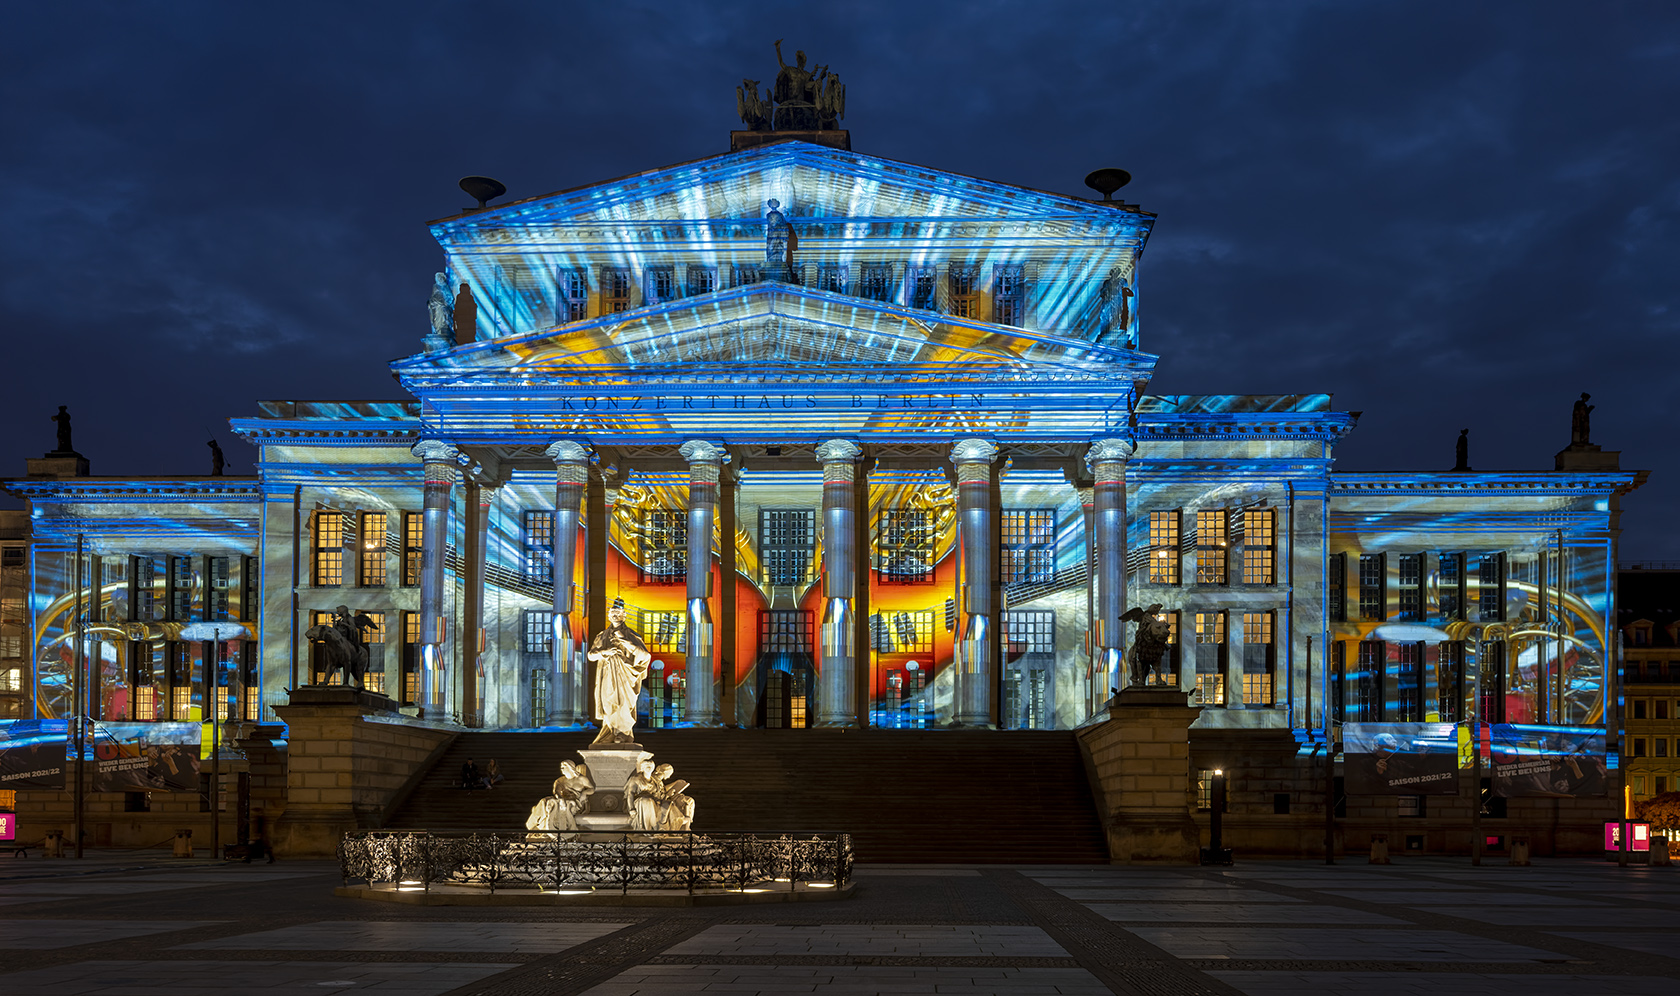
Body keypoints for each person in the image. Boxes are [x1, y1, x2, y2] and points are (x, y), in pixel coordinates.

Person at [587, 598, 651, 745]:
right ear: (609, 616)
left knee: (624, 704)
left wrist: (624, 641)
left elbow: (645, 655)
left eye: (618, 613)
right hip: (608, 673)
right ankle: (610, 732)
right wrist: (605, 652)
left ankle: (623, 733)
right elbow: (591, 655)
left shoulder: (631, 635)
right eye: (612, 613)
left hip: (626, 674)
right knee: (609, 703)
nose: (615, 616)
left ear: (624, 616)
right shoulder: (601, 636)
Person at [625, 758, 659, 831]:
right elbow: (630, 794)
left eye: (650, 766)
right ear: (642, 768)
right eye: (647, 766)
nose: (649, 768)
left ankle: (664, 829)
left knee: (668, 804)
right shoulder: (636, 779)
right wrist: (631, 808)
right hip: (640, 801)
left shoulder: (655, 780)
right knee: (647, 801)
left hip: (654, 800)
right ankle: (649, 828)